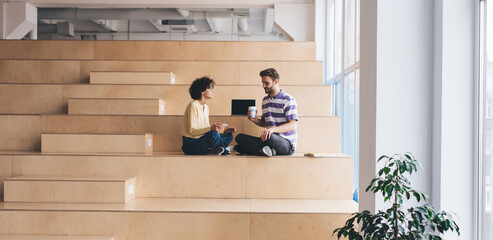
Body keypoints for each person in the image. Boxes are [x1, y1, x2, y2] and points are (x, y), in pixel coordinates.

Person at [234, 68, 298, 157]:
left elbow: (292, 125)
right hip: (269, 140)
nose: (263, 86)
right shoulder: (265, 101)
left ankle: (259, 150)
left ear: (276, 81)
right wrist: (255, 120)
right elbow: (265, 124)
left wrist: (273, 130)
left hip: (286, 143)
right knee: (239, 137)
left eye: (266, 83)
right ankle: (266, 151)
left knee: (268, 138)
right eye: (262, 83)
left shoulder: (288, 99)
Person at [181, 76, 236, 155]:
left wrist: (223, 130)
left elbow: (205, 130)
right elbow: (192, 131)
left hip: (201, 140)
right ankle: (224, 150)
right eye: (210, 88)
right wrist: (211, 129)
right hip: (190, 143)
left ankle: (212, 150)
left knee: (229, 136)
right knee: (213, 135)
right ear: (202, 91)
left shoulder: (206, 107)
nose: (212, 91)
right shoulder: (193, 105)